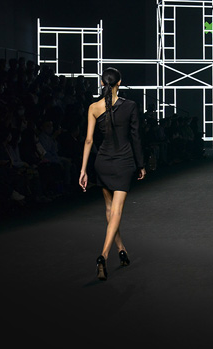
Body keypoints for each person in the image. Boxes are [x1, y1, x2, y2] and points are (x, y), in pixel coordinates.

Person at [79, 67, 146, 281]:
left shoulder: (93, 107)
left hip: (103, 163)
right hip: (124, 163)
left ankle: (121, 249)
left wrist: (83, 170)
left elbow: (89, 140)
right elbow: (135, 137)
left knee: (110, 210)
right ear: (119, 83)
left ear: (102, 83)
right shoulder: (130, 106)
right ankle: (104, 256)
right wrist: (141, 164)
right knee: (116, 212)